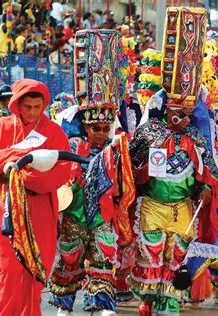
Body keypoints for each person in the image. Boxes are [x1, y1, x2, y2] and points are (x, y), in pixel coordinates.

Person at [129, 8, 218, 316]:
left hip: (184, 207)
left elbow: (209, 172)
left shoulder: (197, 138)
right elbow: (129, 167)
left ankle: (169, 301)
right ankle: (148, 299)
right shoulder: (148, 132)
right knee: (152, 256)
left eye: (187, 114)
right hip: (152, 206)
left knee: (176, 257)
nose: (182, 119)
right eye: (176, 112)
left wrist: (206, 189)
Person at [49, 30, 133, 316]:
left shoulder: (115, 149)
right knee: (70, 258)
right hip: (74, 214)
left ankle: (101, 303)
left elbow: (124, 186)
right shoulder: (72, 146)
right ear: (85, 127)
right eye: (95, 128)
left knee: (103, 257)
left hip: (101, 216)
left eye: (105, 129)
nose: (100, 133)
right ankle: (64, 304)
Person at [0, 78, 71, 315]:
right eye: (26, 106)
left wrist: (29, 179)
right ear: (17, 104)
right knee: (9, 270)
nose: (31, 112)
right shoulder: (0, 127)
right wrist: (11, 157)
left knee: (37, 268)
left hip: (40, 210)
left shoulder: (53, 131)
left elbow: (64, 169)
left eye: (36, 107)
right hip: (7, 210)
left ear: (43, 106)